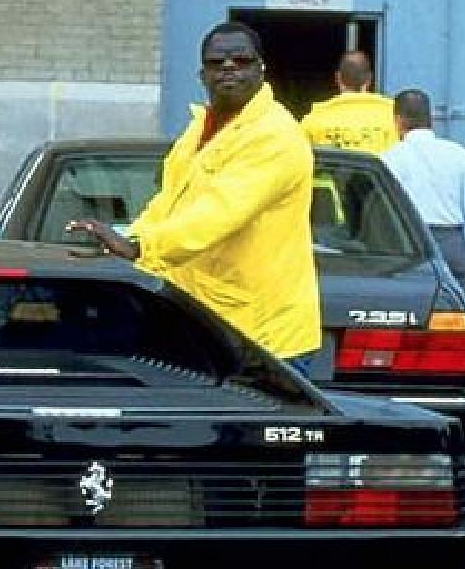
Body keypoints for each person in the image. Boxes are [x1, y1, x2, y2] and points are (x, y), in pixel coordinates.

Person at [67, 21, 320, 370]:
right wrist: (127, 239)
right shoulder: (201, 128)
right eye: (217, 63)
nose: (229, 68)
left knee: (239, 427)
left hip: (262, 338)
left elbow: (219, 213)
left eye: (241, 60)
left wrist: (142, 247)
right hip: (202, 321)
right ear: (203, 74)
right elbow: (169, 202)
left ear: (261, 70)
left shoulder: (276, 136)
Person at [382, 88, 465, 308]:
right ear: (432, 119)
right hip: (453, 246)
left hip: (409, 248)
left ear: (398, 121)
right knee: (457, 322)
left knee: (409, 321)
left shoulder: (389, 159)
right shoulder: (461, 156)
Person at [300, 50, 397, 154]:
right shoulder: (394, 117)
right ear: (369, 79)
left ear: (337, 78)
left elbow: (300, 158)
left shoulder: (314, 119)